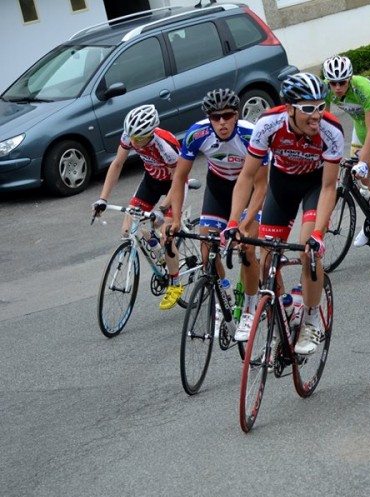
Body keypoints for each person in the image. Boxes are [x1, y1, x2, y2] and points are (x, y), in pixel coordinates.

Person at [227, 73, 344, 356]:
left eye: (320, 106)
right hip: (283, 185)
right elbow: (247, 177)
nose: (316, 115)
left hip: (315, 185)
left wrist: (318, 234)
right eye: (308, 108)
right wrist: (233, 222)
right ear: (289, 108)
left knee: (309, 253)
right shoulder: (268, 124)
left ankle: (311, 319)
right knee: (267, 256)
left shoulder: (332, 131)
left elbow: (329, 186)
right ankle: (285, 308)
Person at [166, 88, 268, 341]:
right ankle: (224, 294)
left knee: (246, 247)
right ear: (209, 118)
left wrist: (244, 223)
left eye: (227, 116)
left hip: (251, 188)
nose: (221, 122)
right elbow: (179, 178)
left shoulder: (251, 135)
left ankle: (250, 308)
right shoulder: (197, 133)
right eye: (215, 117)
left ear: (236, 115)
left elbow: (263, 186)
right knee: (206, 249)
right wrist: (176, 218)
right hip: (219, 187)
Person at [92, 104, 183, 310]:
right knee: (128, 228)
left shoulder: (164, 145)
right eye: (131, 137)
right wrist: (103, 199)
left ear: (150, 134)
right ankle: (159, 252)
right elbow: (117, 164)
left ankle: (175, 283)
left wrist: (163, 207)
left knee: (165, 233)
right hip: (151, 180)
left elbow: (178, 178)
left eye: (139, 138)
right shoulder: (130, 135)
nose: (134, 142)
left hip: (174, 184)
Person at [323, 55, 370, 247]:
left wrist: (363, 161)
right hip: (360, 126)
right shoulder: (325, 90)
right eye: (333, 83)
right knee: (358, 172)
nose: (337, 87)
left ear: (350, 78)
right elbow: (325, 122)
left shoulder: (363, 88)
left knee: (368, 160)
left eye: (342, 82)